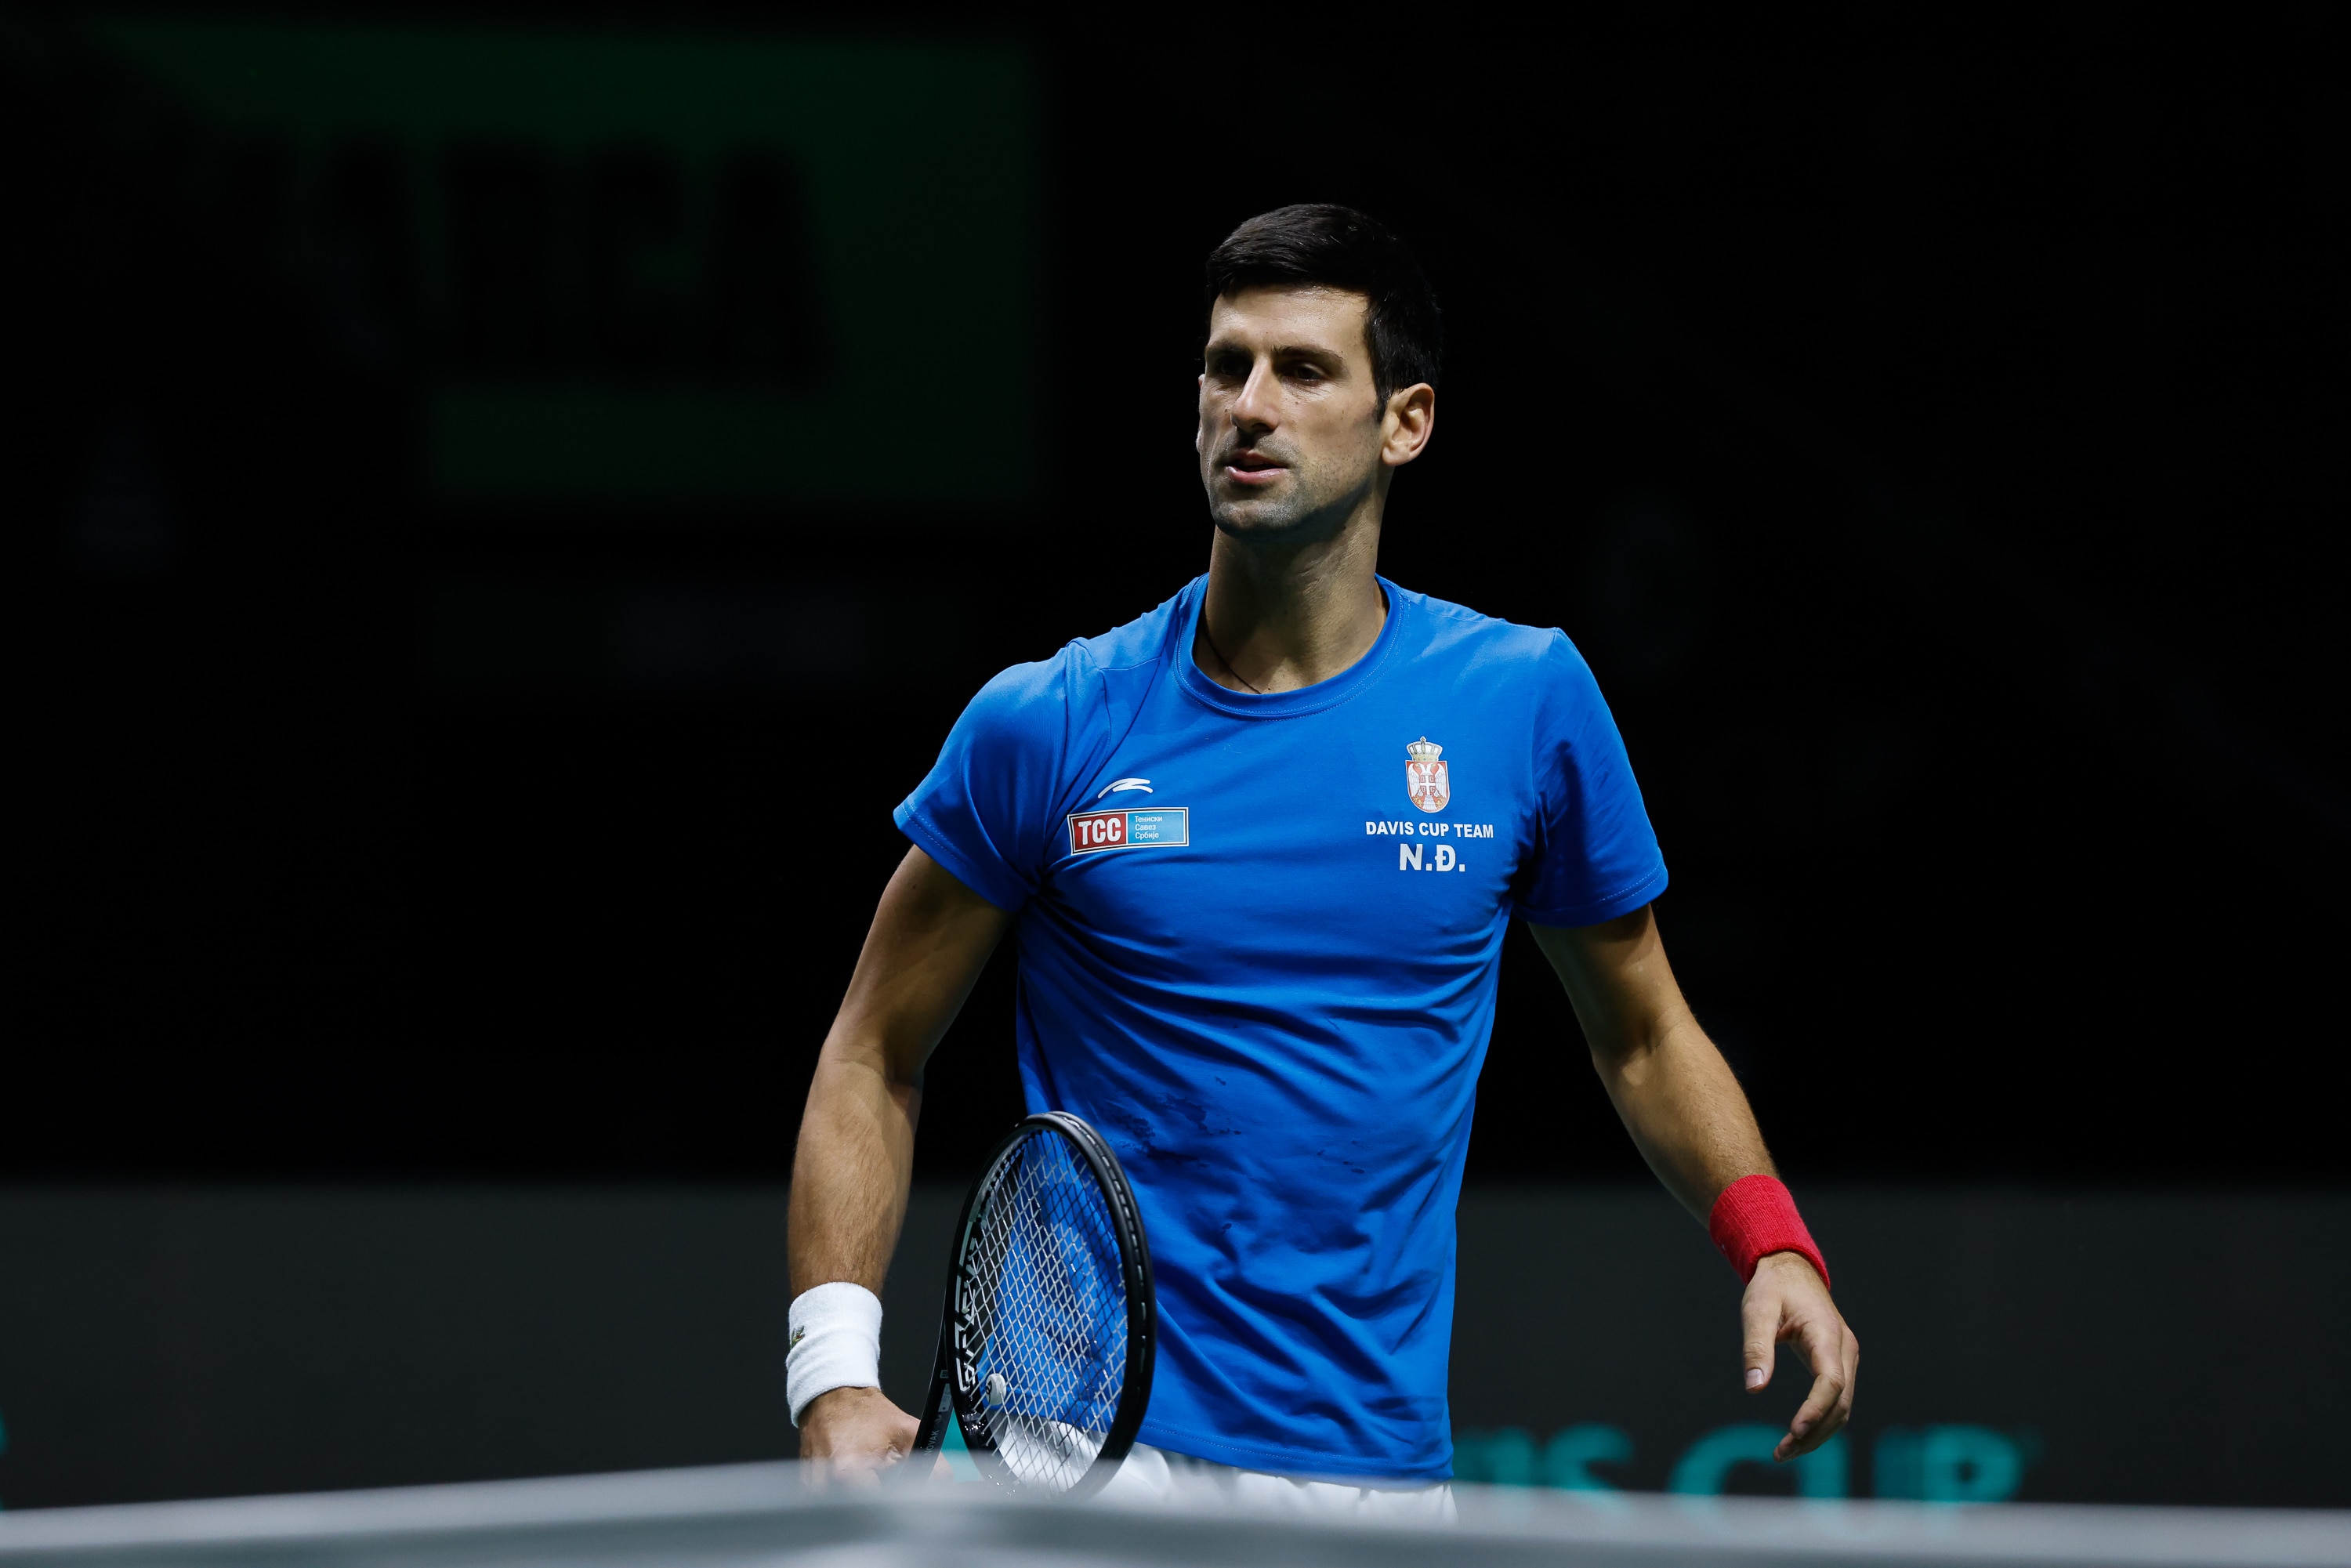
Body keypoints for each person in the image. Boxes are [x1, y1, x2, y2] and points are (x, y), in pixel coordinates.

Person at [785, 204, 1857, 1508]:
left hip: (1377, 1476)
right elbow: (871, 1047)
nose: (1250, 404)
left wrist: (1771, 1242)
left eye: (1302, 370)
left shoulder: (1523, 699)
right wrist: (832, 1374)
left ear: (1404, 421)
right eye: (1225, 366)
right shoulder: (1052, 720)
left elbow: (1641, 1030)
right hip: (1085, 1461)